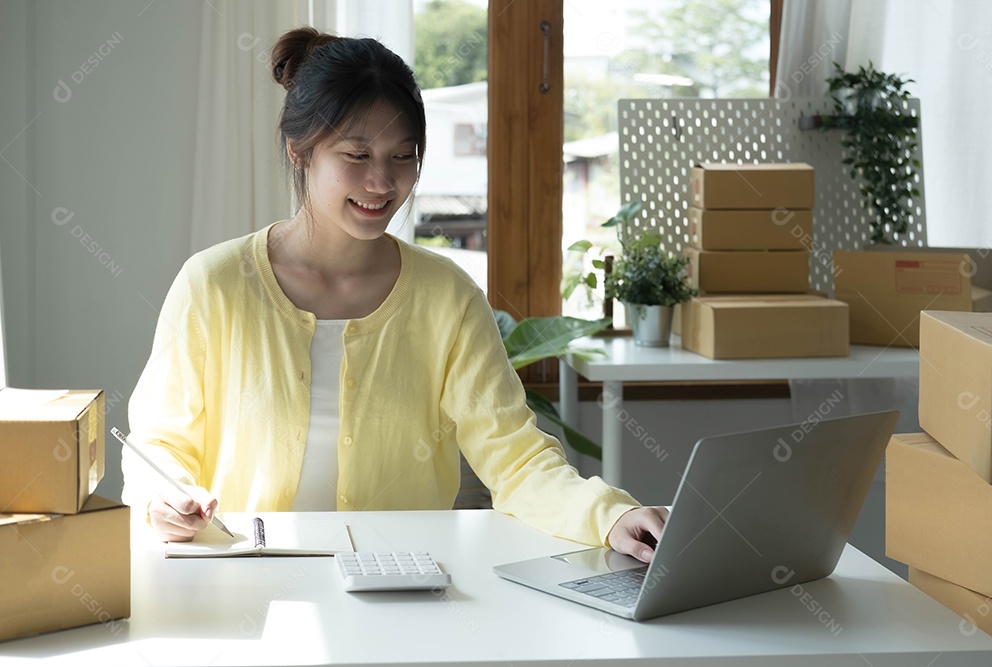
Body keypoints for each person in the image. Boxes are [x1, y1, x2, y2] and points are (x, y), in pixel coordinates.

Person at [121, 27, 667, 562]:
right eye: (356, 156)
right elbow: (160, 444)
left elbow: (517, 459)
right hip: (248, 588)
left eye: (402, 156)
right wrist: (162, 498)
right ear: (300, 152)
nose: (382, 182)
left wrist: (609, 514)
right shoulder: (214, 284)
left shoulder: (446, 297)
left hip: (400, 585)